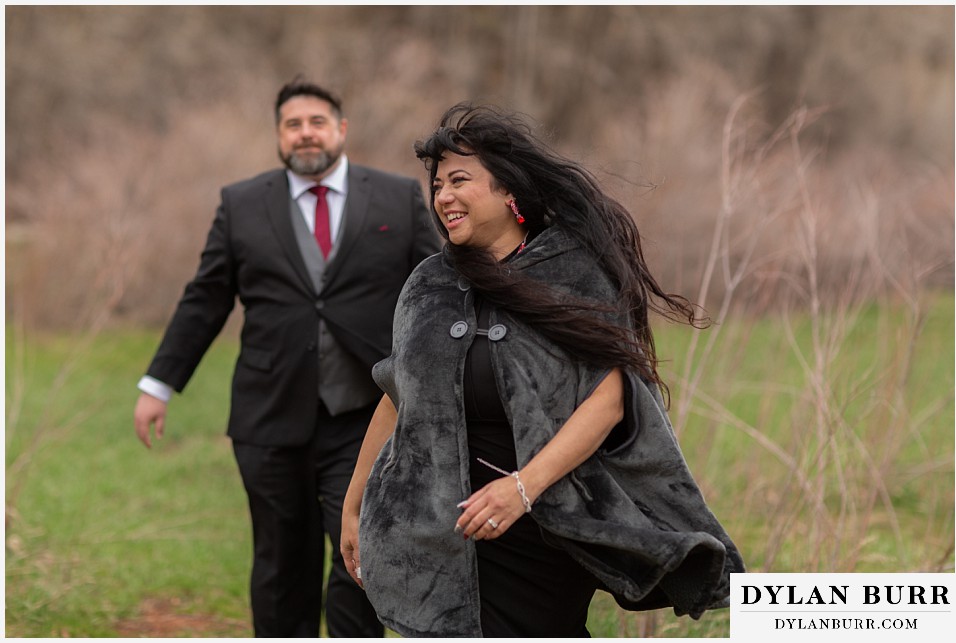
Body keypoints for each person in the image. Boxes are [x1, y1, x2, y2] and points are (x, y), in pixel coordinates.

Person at [340, 103, 745, 637]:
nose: (443, 198)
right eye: (437, 185)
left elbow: (608, 399)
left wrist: (521, 489)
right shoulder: (427, 285)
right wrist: (355, 505)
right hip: (435, 529)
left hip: (537, 527)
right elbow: (398, 397)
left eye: (460, 181)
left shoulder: (571, 273)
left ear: (509, 191)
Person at [133, 78, 441, 638]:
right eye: (293, 125)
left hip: (366, 417)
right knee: (280, 564)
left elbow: (436, 289)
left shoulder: (397, 198)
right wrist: (159, 384)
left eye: (317, 122)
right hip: (269, 417)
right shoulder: (242, 204)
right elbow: (206, 298)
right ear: (279, 136)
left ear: (341, 129)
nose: (306, 134)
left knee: (361, 553)